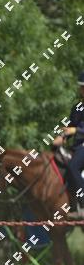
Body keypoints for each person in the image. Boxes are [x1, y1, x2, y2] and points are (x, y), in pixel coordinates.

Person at [53, 72, 84, 218]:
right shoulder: (77, 108)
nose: (81, 90)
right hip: (77, 146)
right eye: (81, 87)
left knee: (73, 167)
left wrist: (76, 131)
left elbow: (74, 129)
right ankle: (71, 204)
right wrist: (61, 137)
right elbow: (70, 126)